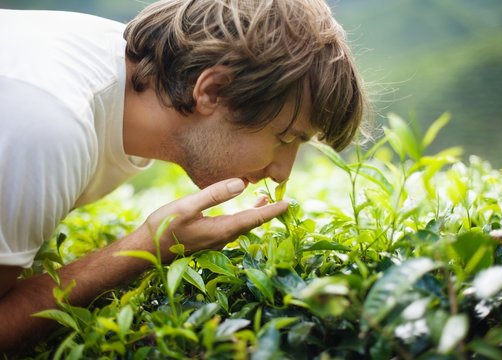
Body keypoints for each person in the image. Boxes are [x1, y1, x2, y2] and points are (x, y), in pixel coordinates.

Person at [0, 0, 364, 351]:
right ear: (213, 91)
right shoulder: (49, 124)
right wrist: (148, 246)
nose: (282, 171)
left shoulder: (109, 74)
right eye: (284, 138)